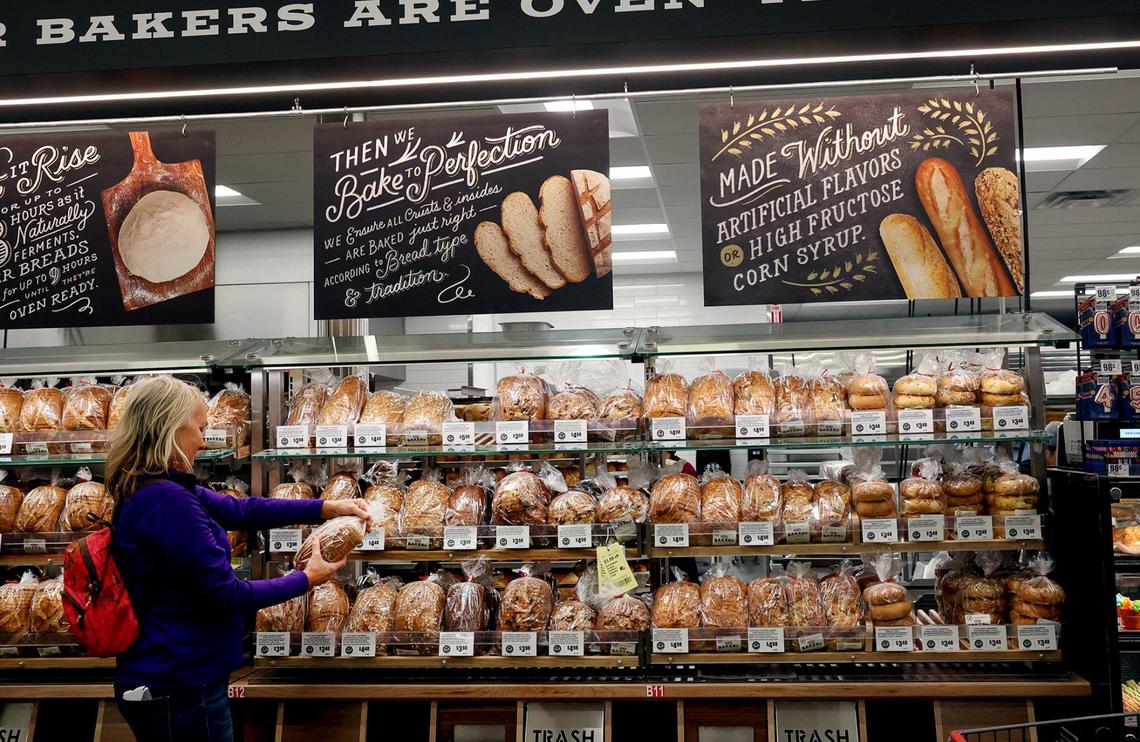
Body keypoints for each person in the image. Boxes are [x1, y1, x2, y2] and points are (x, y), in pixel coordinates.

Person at [106, 376, 369, 742]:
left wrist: (326, 507)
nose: (202, 439)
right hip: (179, 682)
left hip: (166, 673)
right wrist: (306, 579)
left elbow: (240, 509)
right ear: (171, 428)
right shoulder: (168, 501)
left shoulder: (151, 486)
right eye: (199, 428)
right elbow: (227, 595)